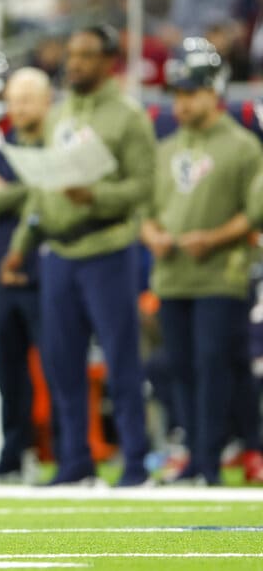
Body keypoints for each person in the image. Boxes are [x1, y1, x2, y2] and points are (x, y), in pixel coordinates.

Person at [1, 25, 154, 487]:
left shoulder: (129, 118)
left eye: (85, 55)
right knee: (61, 363)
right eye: (71, 54)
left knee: (121, 361)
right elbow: (41, 193)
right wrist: (20, 248)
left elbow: (145, 187)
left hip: (107, 247)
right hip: (59, 254)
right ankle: (75, 462)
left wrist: (98, 197)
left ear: (110, 60)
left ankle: (134, 464)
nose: (75, 63)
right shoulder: (60, 115)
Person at [142, 38, 263, 485]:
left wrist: (211, 238)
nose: (182, 102)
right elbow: (146, 208)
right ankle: (195, 455)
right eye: (176, 93)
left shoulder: (242, 145)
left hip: (221, 274)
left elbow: (256, 210)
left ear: (214, 90)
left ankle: (211, 461)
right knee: (180, 367)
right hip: (173, 275)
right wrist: (151, 234)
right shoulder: (166, 147)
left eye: (190, 92)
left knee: (214, 366)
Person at [0, 66, 51, 481]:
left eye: (27, 99)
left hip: (43, 271)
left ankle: (65, 449)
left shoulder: (57, 142)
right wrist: (38, 186)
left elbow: (20, 196)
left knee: (58, 366)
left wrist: (20, 190)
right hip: (0, 273)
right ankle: (15, 451)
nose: (18, 107)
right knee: (8, 371)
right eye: (14, 99)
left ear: (46, 101)